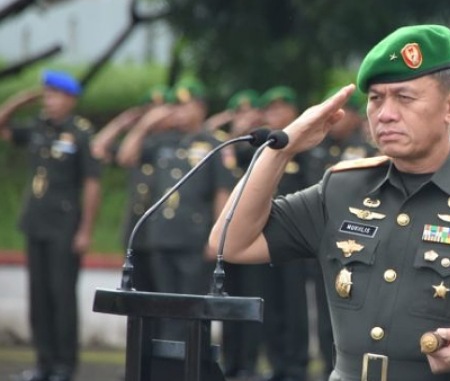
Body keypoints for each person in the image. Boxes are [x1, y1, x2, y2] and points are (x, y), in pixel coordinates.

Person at [209, 24, 450, 381]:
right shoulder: (343, 187)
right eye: (376, 99)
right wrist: (281, 149)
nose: (385, 114)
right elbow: (230, 242)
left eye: (405, 98)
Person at [0, 71, 102, 381]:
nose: (50, 101)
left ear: (71, 99)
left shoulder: (81, 133)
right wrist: (20, 100)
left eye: (56, 95)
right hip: (36, 223)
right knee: (39, 295)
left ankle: (64, 365)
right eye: (46, 95)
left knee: (61, 296)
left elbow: (92, 184)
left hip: (65, 226)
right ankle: (44, 362)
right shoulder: (38, 127)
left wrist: (85, 229)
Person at [116, 77, 236, 341]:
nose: (177, 113)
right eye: (174, 107)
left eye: (184, 106)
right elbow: (125, 157)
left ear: (200, 108)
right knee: (163, 310)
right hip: (161, 236)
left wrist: (218, 238)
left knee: (192, 311)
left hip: (194, 237)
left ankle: (192, 367)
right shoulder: (163, 141)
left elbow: (222, 193)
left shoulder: (214, 143)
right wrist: (146, 124)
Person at [305, 86, 377, 380]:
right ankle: (327, 368)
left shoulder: (369, 151)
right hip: (325, 242)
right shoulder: (319, 147)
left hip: (360, 246)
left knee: (357, 314)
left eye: (341, 114)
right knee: (325, 316)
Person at [91, 85, 172, 295]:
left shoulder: (175, 141)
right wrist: (124, 123)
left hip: (164, 230)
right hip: (137, 227)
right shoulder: (138, 141)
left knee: (163, 294)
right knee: (137, 294)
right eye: (151, 109)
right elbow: (100, 149)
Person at [257, 85, 311, 381]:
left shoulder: (305, 145)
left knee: (294, 305)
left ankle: (296, 365)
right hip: (265, 233)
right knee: (271, 302)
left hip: (295, 234)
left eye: (281, 108)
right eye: (270, 109)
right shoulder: (265, 145)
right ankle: (277, 364)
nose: (275, 114)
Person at [219, 89, 268, 380]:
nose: (245, 118)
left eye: (250, 114)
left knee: (251, 300)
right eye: (239, 113)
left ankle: (248, 364)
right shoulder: (229, 145)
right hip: (226, 233)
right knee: (226, 300)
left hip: (253, 234)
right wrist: (231, 126)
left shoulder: (264, 146)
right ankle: (230, 361)